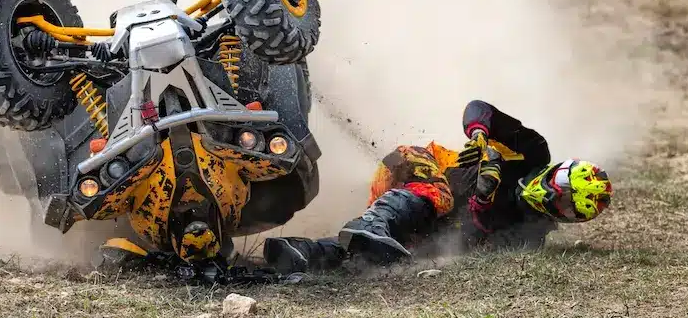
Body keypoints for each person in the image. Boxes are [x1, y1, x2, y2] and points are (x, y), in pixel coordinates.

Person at [262, 100, 613, 273]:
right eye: (564, 187)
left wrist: (484, 198)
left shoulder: (530, 236)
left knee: (389, 253)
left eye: (567, 208)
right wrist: (478, 134)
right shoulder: (533, 149)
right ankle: (373, 224)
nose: (556, 198)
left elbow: (469, 241)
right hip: (409, 164)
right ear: (560, 170)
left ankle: (303, 253)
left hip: (423, 219)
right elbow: (479, 108)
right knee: (438, 194)